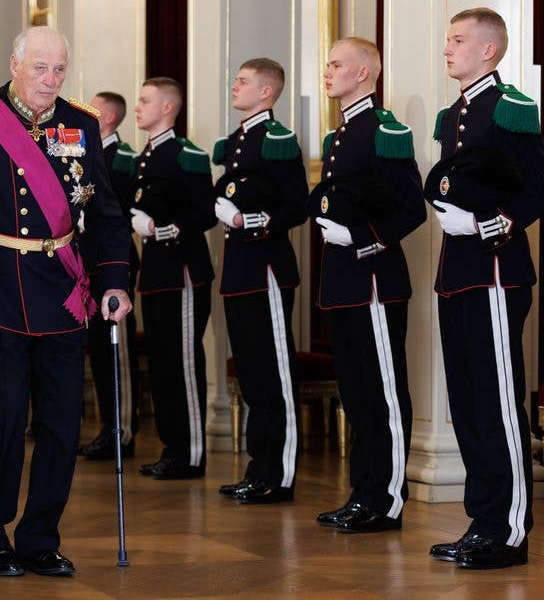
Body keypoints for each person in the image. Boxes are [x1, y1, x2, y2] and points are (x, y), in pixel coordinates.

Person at [0, 26, 133, 578]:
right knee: (7, 420)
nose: (49, 79)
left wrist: (113, 281)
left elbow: (105, 214)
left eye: (59, 69)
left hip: (63, 291)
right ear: (14, 62)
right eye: (39, 67)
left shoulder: (81, 123)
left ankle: (40, 537)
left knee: (61, 423)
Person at [424, 7, 542, 569]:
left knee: (498, 402)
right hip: (458, 274)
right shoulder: (453, 116)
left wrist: (487, 223)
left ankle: (510, 529)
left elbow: (536, 187)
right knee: (469, 404)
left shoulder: (511, 107)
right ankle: (484, 521)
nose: (447, 48)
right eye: (448, 39)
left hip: (496, 270)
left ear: (488, 50)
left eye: (457, 40)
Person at [308, 37, 425, 533]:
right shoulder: (339, 136)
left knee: (383, 392)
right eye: (328, 63)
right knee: (356, 392)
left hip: (374, 278)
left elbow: (412, 208)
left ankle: (387, 500)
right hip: (344, 283)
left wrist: (361, 238)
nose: (327, 71)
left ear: (363, 73)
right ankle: (363, 493)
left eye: (336, 65)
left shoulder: (384, 130)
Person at [212, 58, 307, 504]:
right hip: (238, 271)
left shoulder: (277, 139)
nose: (235, 85)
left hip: (266, 267)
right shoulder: (235, 141)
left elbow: (296, 206)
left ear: (267, 91)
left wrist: (250, 220)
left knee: (274, 375)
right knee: (251, 375)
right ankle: (258, 467)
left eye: (244, 80)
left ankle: (278, 473)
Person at [127, 77, 216, 480]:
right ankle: (171, 446)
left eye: (145, 100)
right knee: (162, 364)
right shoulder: (144, 157)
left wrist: (159, 229)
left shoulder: (186, 155)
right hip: (156, 274)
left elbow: (204, 214)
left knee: (182, 362)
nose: (137, 107)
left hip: (182, 271)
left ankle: (190, 452)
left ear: (167, 107)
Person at [78, 90, 141, 460]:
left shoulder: (123, 158)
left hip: (112, 261)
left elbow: (119, 209)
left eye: (94, 108)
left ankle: (122, 429)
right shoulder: (86, 153)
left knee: (117, 350)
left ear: (109, 118)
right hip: (86, 261)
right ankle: (106, 427)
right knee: (99, 350)